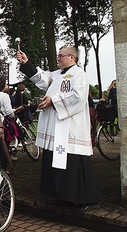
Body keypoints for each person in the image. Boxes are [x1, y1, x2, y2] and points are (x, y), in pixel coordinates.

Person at [17, 46, 101, 210]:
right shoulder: (55, 75)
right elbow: (40, 77)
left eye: (61, 56)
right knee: (55, 162)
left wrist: (53, 101)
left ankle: (85, 199)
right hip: (55, 128)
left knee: (73, 163)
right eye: (58, 56)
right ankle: (62, 196)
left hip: (71, 129)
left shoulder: (79, 75)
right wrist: (27, 63)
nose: (58, 58)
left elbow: (78, 97)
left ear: (72, 57)